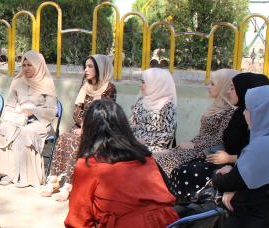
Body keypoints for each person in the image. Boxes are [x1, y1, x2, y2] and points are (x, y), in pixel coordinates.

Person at [65, 100, 179, 228]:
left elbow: (78, 221)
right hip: (169, 222)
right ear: (123, 126)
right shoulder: (145, 157)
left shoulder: (89, 165)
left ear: (89, 130)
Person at [213, 86, 269, 227]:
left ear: (266, 113)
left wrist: (218, 174)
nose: (244, 113)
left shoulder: (265, 147)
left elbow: (226, 183)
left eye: (249, 109)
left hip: (247, 219)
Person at [42, 54, 117, 200]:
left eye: (90, 66)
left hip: (100, 130)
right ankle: (54, 180)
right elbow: (77, 112)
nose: (86, 70)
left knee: (75, 142)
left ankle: (68, 186)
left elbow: (104, 114)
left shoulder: (109, 89)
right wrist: (82, 125)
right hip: (81, 126)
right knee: (63, 138)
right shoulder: (85, 87)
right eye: (85, 66)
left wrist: (87, 128)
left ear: (100, 68)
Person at [159, 69, 238, 200]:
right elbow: (203, 133)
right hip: (197, 146)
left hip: (205, 151)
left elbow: (219, 139)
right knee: (157, 158)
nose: (208, 87)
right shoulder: (215, 106)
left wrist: (194, 144)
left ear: (223, 86)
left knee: (166, 161)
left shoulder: (229, 111)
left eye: (213, 84)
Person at [0, 51, 58, 188]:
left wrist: (33, 112)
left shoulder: (47, 83)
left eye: (30, 65)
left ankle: (27, 177)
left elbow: (53, 111)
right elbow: (10, 105)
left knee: (26, 132)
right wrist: (14, 115)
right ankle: (6, 173)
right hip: (18, 118)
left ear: (38, 65)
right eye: (24, 65)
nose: (26, 68)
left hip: (40, 122)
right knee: (3, 129)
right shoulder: (17, 82)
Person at [205, 73, 269, 165]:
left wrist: (230, 159)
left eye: (232, 88)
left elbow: (258, 156)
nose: (228, 91)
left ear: (244, 90)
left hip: (242, 168)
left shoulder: (262, 119)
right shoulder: (239, 112)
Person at [130, 68, 177, 153]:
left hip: (154, 148)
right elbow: (132, 124)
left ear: (156, 84)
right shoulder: (141, 101)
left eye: (144, 82)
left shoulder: (167, 106)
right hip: (134, 143)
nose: (140, 85)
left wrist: (144, 141)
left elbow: (166, 136)